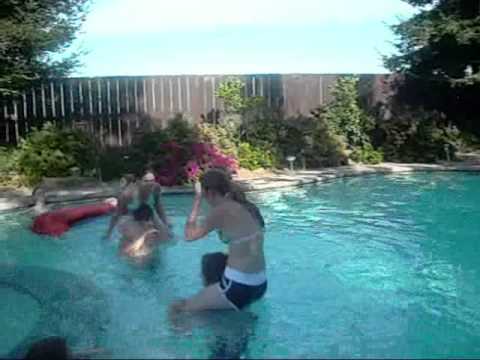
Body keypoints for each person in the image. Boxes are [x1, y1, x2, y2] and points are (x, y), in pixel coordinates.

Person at [170, 169, 267, 313]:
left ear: (209, 193)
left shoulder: (221, 211)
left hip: (238, 285)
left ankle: (184, 335)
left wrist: (196, 200)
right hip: (260, 283)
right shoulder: (249, 207)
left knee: (178, 308)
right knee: (214, 263)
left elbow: (189, 236)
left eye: (204, 195)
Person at [105, 171, 170, 239]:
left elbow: (159, 208)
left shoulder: (155, 188)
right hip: (131, 218)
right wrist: (108, 233)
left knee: (167, 238)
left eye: (152, 180)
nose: (150, 183)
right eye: (146, 181)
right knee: (136, 242)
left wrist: (166, 223)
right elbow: (117, 214)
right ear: (139, 182)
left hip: (150, 215)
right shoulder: (127, 195)